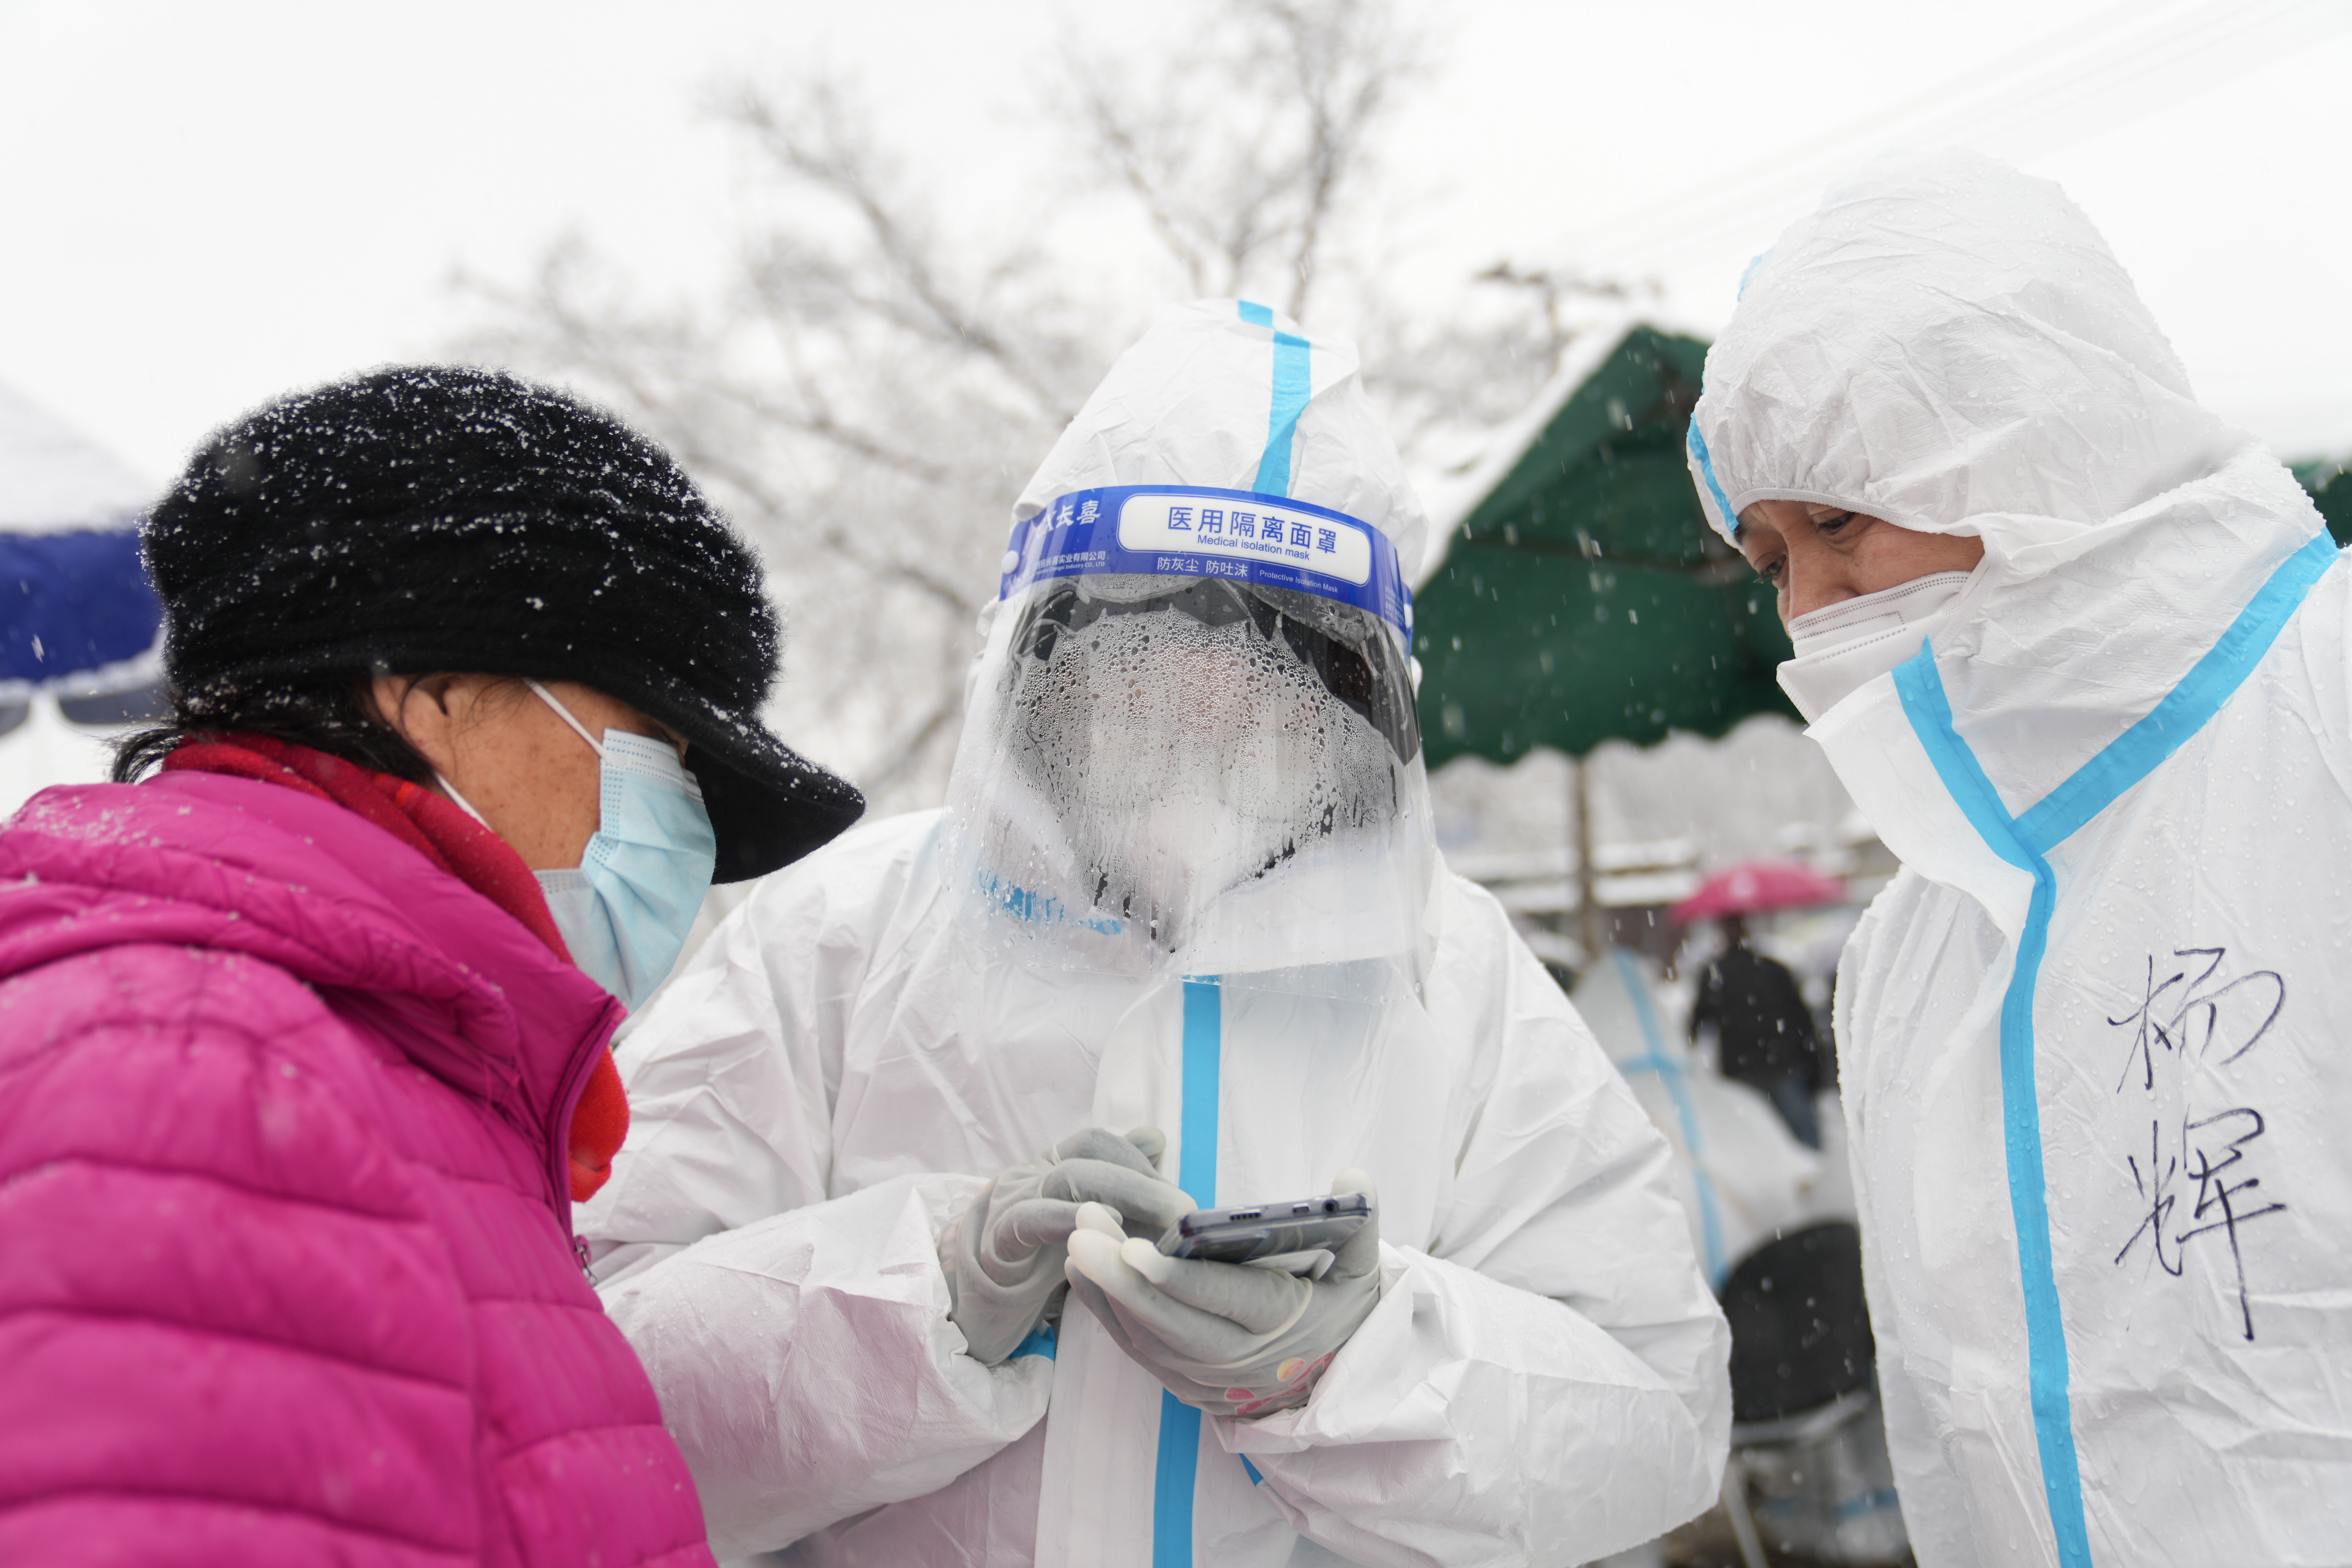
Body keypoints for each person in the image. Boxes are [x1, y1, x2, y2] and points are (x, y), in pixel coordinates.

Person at [582, 301, 1730, 1566]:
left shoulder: (1459, 982)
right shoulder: (843, 934)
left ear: (1362, 689)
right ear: (1041, 649)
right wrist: (924, 1302)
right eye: (1146, 635)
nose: (1204, 691)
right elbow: (581, 1386)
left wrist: (1352, 1362)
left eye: (1275, 650)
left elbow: (1653, 1428)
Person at [0, 367, 863, 1565]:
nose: (688, 833)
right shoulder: (208, 1081)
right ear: (436, 700)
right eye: (655, 746)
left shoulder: (393, 1076)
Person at [1686, 149, 2352, 1567]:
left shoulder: (2324, 712)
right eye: (1767, 560)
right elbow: (1961, 1439)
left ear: (2028, 441)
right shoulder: (1913, 952)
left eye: (1838, 521)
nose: (1808, 607)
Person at [1688, 913, 1826, 1146]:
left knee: (1754, 1140)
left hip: (1742, 1069)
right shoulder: (1773, 970)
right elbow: (1802, 1021)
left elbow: (1697, 1025)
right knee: (1799, 1136)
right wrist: (1813, 1065)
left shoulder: (1716, 975)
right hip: (1778, 1063)